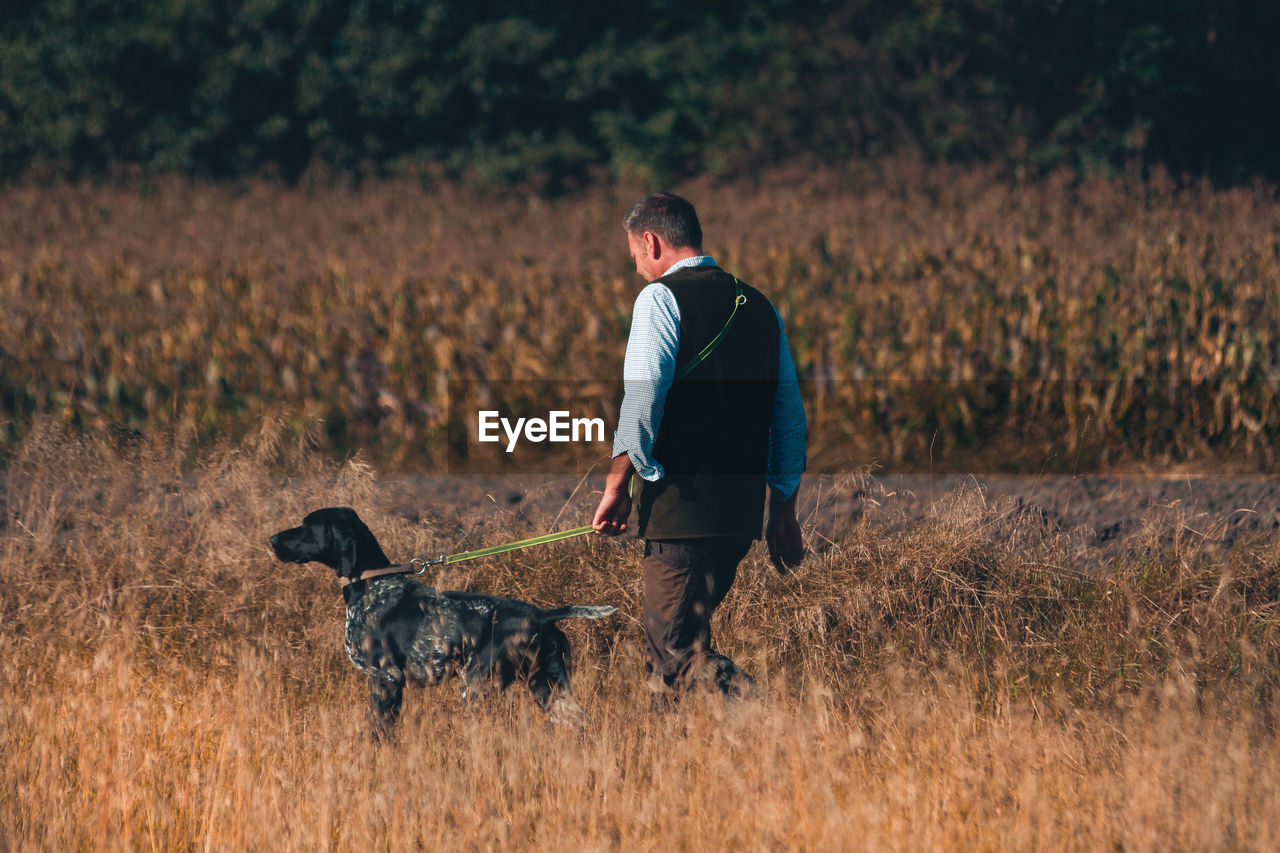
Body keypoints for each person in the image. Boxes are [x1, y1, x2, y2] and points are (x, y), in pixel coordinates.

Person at [592, 192, 806, 699]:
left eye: (636, 259)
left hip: (679, 512)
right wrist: (783, 510)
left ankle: (772, 718)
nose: (639, 271)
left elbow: (642, 402)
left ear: (651, 241)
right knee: (671, 652)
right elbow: (789, 418)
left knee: (673, 653)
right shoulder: (759, 306)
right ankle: (680, 766)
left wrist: (617, 484)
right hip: (739, 518)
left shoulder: (659, 299)